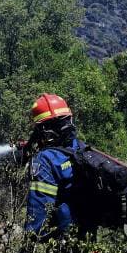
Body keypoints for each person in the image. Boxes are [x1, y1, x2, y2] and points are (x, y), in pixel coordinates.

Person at [22, 93, 88, 244]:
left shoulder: (44, 160)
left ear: (43, 128)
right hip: (88, 231)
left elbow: (40, 207)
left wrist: (29, 246)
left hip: (64, 240)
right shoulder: (79, 147)